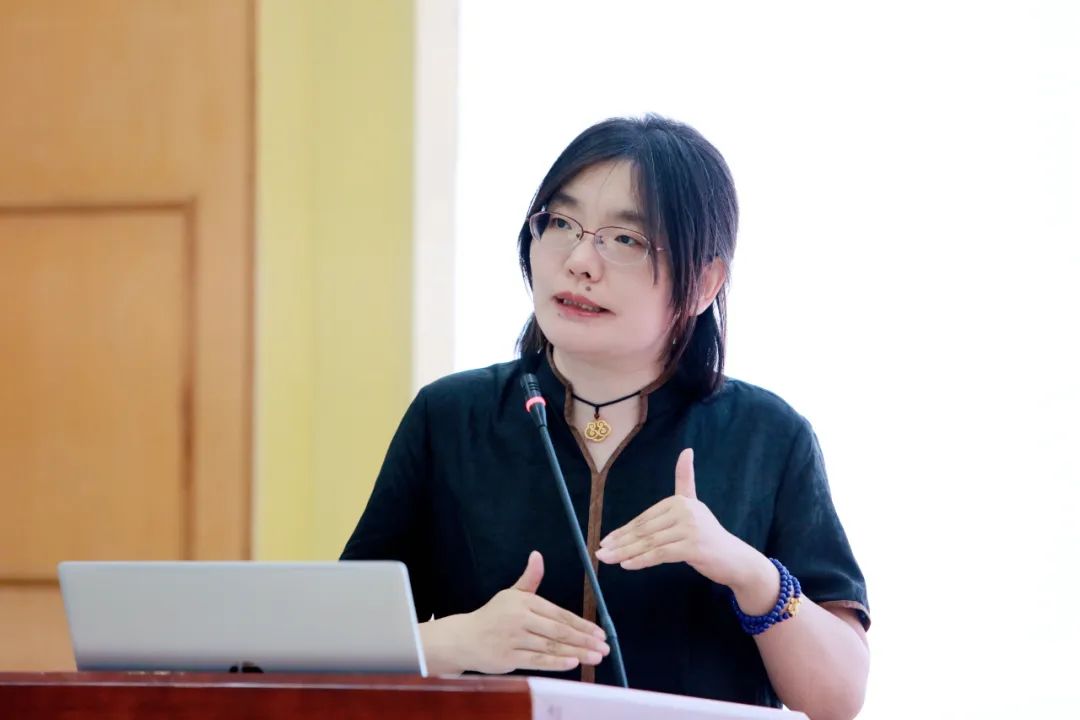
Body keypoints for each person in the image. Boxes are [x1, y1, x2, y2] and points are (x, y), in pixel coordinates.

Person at [341, 115, 870, 719]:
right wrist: (456, 641)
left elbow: (838, 699)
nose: (579, 261)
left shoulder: (768, 435)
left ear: (703, 283)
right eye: (560, 224)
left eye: (626, 240)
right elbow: (330, 650)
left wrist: (749, 572)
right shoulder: (451, 417)